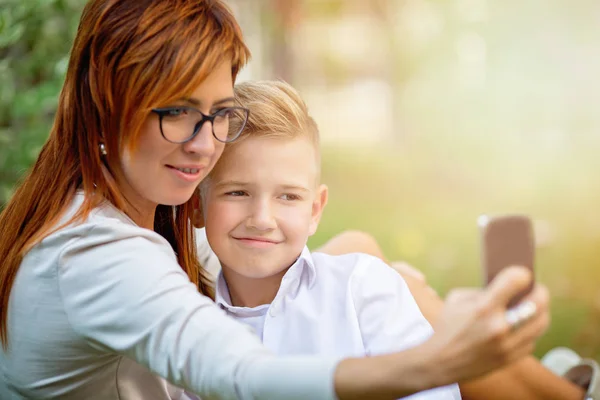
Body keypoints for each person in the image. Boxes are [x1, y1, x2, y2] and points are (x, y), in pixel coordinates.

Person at [0, 0, 549, 399]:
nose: (204, 143)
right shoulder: (97, 256)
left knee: (363, 255)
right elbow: (242, 374)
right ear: (105, 104)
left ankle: (568, 391)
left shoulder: (106, 206)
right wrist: (437, 358)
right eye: (174, 112)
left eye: (217, 114)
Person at [198, 80, 462, 399]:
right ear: (196, 206)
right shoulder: (188, 333)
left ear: (315, 211)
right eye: (237, 192)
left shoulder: (364, 288)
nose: (262, 219)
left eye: (288, 196)